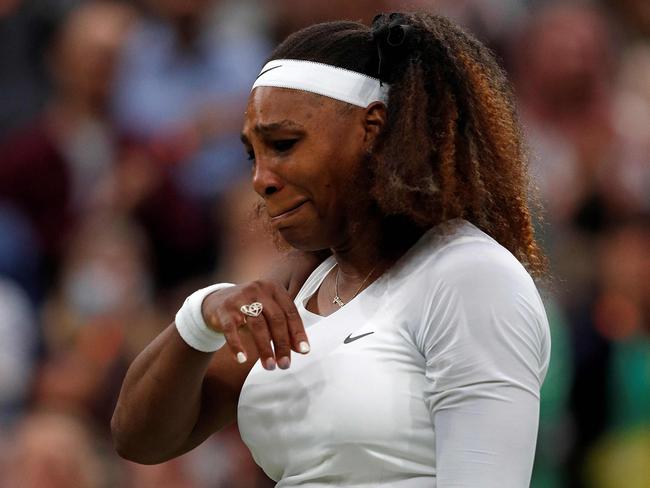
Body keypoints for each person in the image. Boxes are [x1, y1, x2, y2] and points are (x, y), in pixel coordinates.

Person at [112, 12, 551, 487]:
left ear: (373, 129)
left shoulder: (470, 276)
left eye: (283, 144)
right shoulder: (298, 285)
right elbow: (140, 438)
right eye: (251, 155)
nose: (261, 180)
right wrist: (203, 315)